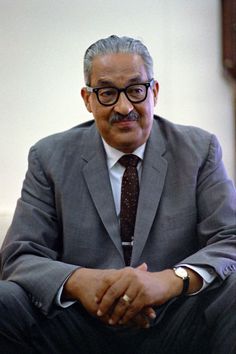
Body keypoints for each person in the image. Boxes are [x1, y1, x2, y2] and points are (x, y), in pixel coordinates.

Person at [0, 35, 236, 354]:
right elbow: (19, 255)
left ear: (154, 92)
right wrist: (81, 281)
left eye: (136, 90)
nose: (124, 107)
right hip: (78, 323)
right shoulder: (49, 157)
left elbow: (229, 239)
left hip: (174, 319)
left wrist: (170, 280)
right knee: (6, 300)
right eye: (108, 93)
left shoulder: (198, 150)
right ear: (88, 99)